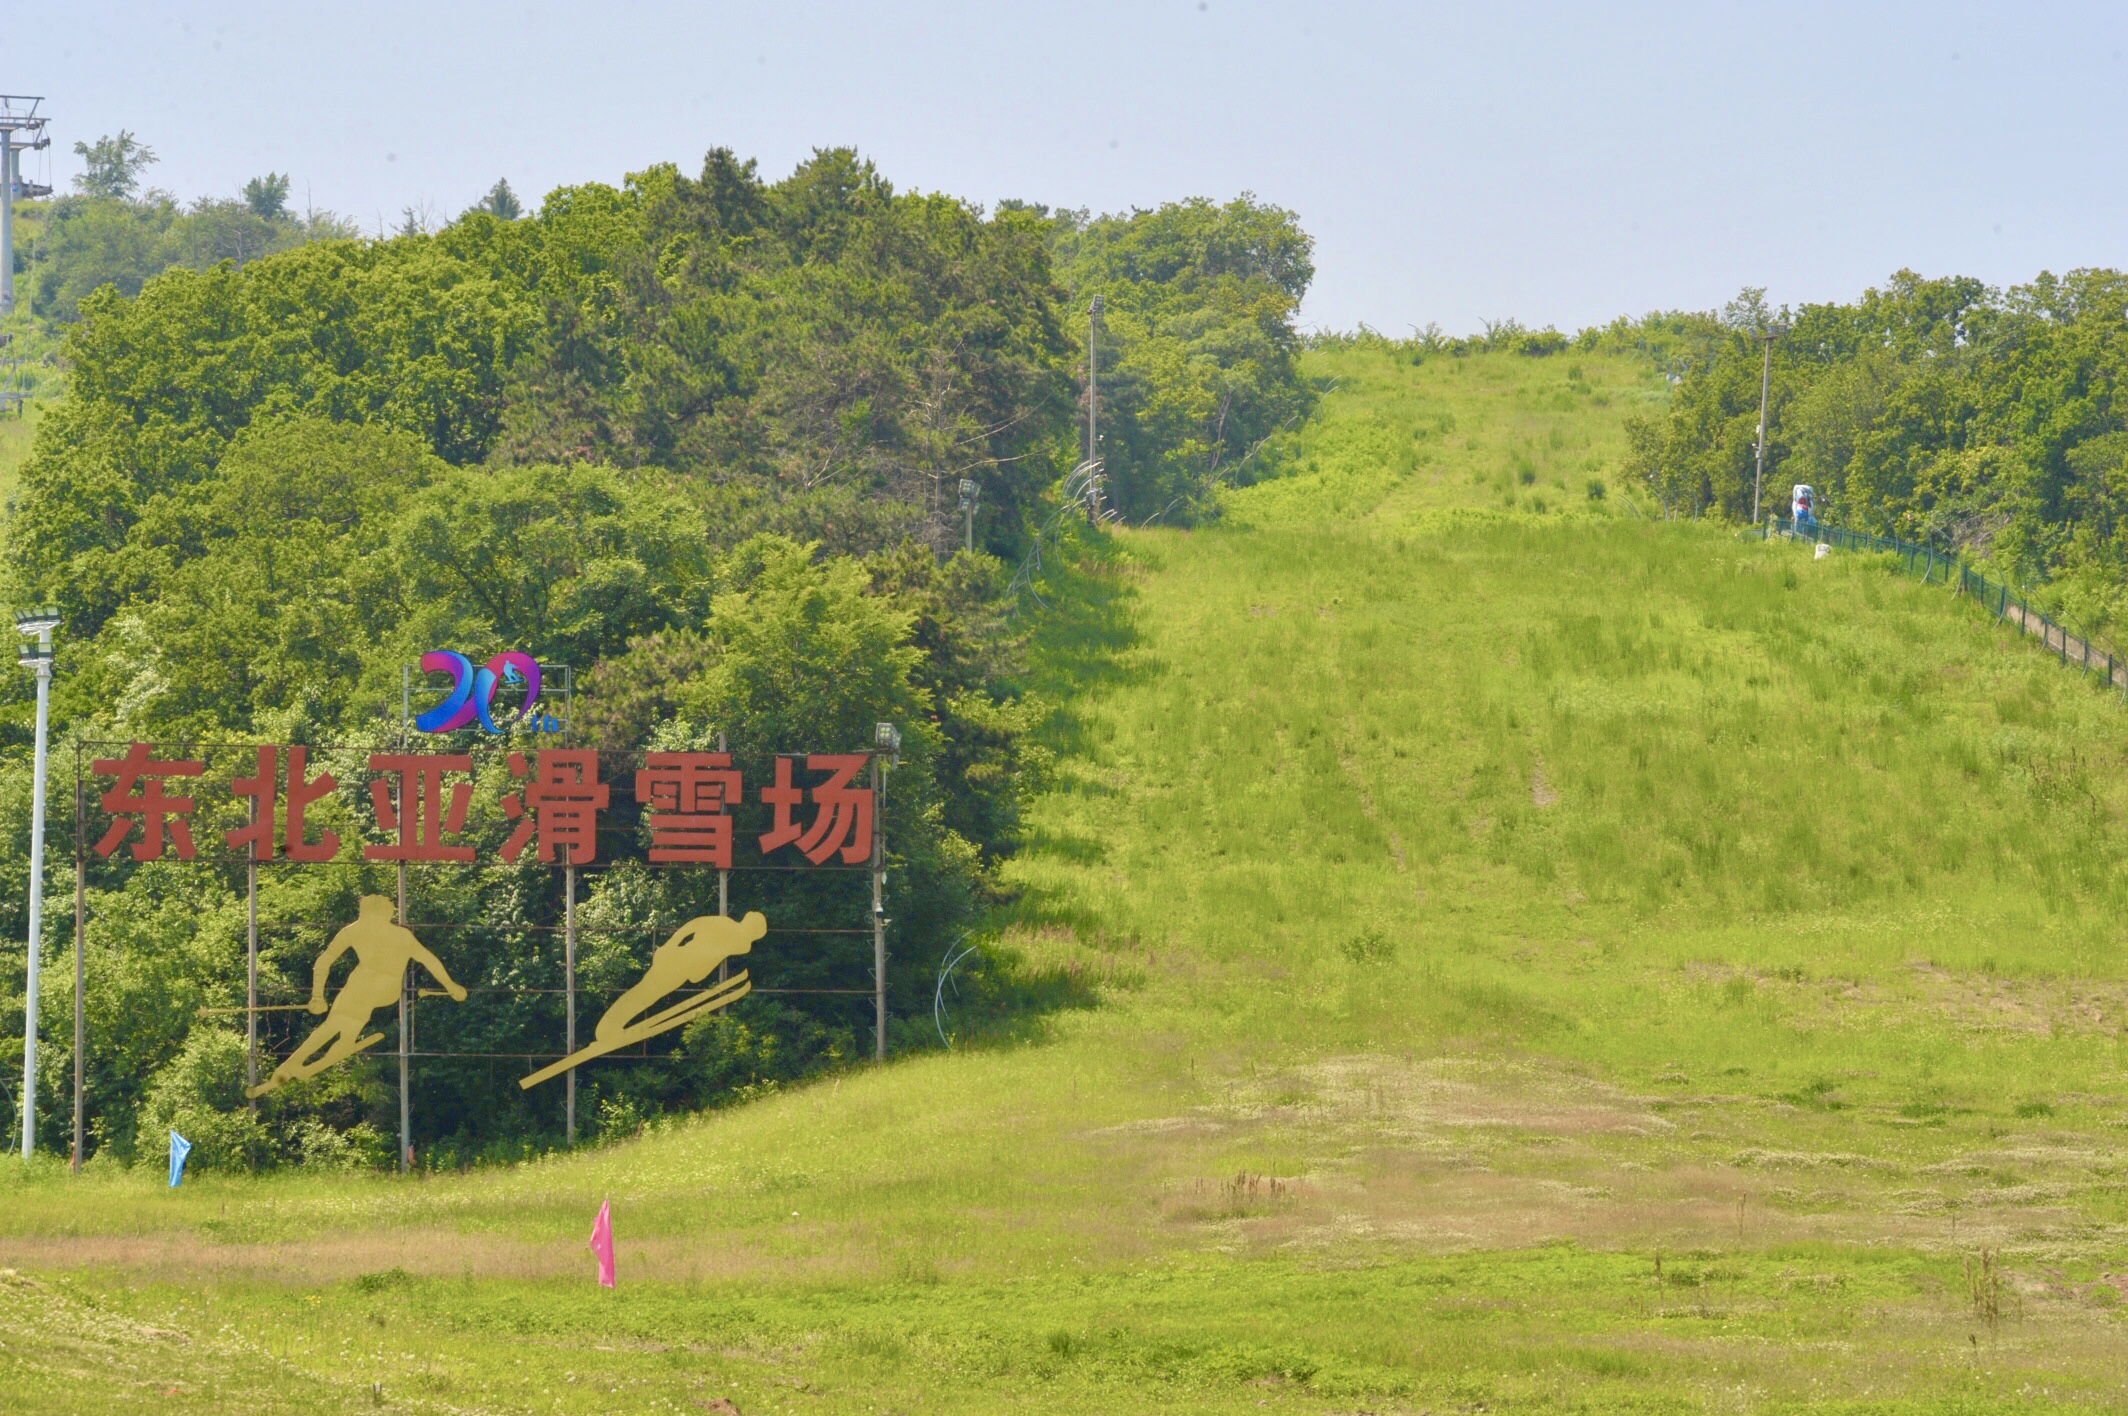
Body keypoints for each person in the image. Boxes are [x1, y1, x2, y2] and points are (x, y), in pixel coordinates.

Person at [248, 894, 466, 1099]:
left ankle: (323, 1051)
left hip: (379, 988)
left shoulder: (383, 933)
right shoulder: (373, 932)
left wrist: (450, 984)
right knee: (341, 1019)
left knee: (342, 1016)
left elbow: (429, 960)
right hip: (368, 988)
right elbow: (324, 961)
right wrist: (317, 997)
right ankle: (328, 1051)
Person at [594, 911, 766, 1043]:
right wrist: (670, 946)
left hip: (683, 965)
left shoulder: (739, 940)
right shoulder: (729, 930)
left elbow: (700, 936)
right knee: (645, 993)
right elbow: (693, 926)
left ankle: (610, 1027)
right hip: (677, 960)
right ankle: (608, 1028)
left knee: (646, 994)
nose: (751, 940)